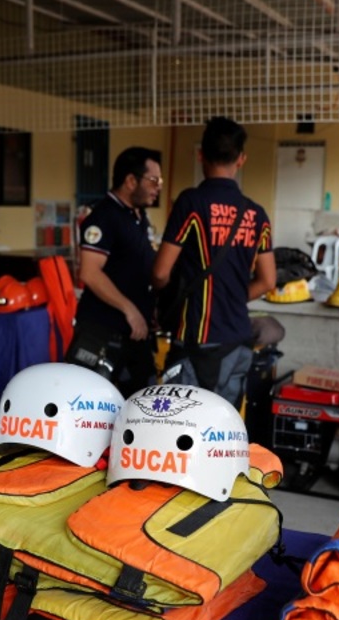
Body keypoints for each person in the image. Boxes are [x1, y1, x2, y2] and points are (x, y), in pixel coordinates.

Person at [151, 116, 275, 408]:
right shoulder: (256, 214)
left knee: (182, 427)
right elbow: (268, 281)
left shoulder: (191, 203)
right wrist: (230, 296)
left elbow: (159, 272)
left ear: (200, 154)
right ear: (241, 159)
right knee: (221, 431)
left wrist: (169, 297)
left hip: (197, 341)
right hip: (238, 343)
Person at [65, 147, 162, 396]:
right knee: (87, 403)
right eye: (153, 180)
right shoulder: (104, 217)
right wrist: (130, 310)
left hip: (135, 334)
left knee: (144, 402)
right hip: (102, 330)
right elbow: (90, 272)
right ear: (131, 181)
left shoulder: (138, 217)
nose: (158, 186)